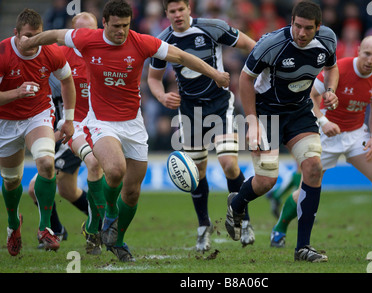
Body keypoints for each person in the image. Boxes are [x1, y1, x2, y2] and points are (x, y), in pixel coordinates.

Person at [20, 0, 230, 262]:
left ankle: (117, 241)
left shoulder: (141, 41)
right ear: (105, 23)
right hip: (101, 122)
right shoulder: (87, 38)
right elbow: (54, 35)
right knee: (115, 169)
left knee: (132, 192)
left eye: (126, 26)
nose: (121, 31)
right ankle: (109, 213)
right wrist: (30, 42)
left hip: (133, 124)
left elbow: (181, 56)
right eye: (116, 26)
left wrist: (215, 74)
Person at [270, 35, 372, 249]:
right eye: (366, 53)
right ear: (358, 50)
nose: (370, 59)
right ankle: (279, 229)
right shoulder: (339, 69)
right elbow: (309, 96)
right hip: (325, 135)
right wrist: (323, 120)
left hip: (356, 135)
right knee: (304, 191)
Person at [226, 0, 339, 263]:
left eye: (307, 28)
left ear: (318, 27)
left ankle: (303, 247)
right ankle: (237, 203)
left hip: (300, 111)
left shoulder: (328, 40)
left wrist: (330, 90)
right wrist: (252, 121)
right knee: (267, 181)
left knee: (313, 168)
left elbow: (332, 68)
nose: (301, 33)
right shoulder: (271, 43)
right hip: (267, 113)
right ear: (291, 21)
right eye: (296, 26)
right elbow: (245, 78)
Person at [147, 0, 256, 251]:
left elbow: (250, 45)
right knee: (198, 173)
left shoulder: (212, 27)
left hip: (219, 105)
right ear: (166, 13)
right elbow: (153, 79)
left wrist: (253, 78)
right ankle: (203, 228)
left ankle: (244, 220)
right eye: (171, 11)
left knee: (229, 164)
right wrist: (162, 96)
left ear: (189, 8)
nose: (176, 15)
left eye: (180, 9)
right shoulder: (162, 40)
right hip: (189, 112)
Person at [27, 12, 105, 255]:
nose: (86, 36)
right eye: (80, 31)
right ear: (71, 34)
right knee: (68, 190)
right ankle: (87, 226)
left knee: (36, 187)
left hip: (94, 129)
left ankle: (86, 229)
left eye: (91, 30)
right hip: (70, 130)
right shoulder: (59, 58)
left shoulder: (105, 54)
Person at [0, 8, 76, 256]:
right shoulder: (2, 53)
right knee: (12, 181)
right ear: (16, 34)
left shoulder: (50, 51)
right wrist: (17, 93)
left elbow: (67, 81)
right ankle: (13, 225)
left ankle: (45, 228)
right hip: (6, 121)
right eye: (28, 36)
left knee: (45, 162)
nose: (34, 41)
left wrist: (68, 119)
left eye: (38, 35)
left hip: (38, 114)